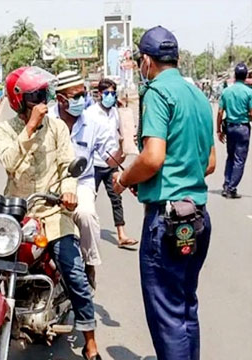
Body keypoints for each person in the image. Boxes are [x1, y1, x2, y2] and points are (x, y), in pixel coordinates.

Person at [113, 26, 216, 360]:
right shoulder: (197, 95)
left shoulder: (156, 92)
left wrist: (126, 179)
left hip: (167, 221)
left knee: (167, 315)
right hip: (197, 216)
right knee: (185, 307)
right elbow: (210, 162)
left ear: (146, 61)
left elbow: (153, 157)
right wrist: (166, 179)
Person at [0, 66, 102, 360]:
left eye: (45, 94)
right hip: (18, 215)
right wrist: (29, 128)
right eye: (36, 96)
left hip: (52, 213)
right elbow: (9, 164)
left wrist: (68, 191)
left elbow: (68, 167)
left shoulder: (57, 128)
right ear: (18, 100)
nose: (43, 101)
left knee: (74, 273)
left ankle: (90, 340)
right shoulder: (5, 130)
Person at [49, 70, 123, 289]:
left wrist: (124, 150)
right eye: (76, 97)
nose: (81, 101)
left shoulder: (92, 123)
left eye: (83, 95)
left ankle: (90, 263)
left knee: (86, 214)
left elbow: (110, 157)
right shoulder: (47, 121)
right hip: (49, 183)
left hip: (81, 182)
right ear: (61, 99)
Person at [88, 78, 138, 248]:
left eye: (112, 93)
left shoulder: (116, 113)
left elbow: (124, 130)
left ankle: (121, 235)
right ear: (100, 94)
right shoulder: (90, 114)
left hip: (112, 163)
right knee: (88, 200)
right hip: (94, 164)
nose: (110, 96)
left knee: (116, 197)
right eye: (107, 93)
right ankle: (83, 234)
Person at [217, 62, 252, 199]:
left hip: (230, 127)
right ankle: (231, 188)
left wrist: (219, 129)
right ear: (245, 77)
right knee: (239, 159)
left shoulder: (226, 91)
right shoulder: (249, 92)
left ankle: (226, 184)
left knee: (230, 156)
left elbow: (220, 112)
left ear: (234, 75)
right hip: (243, 127)